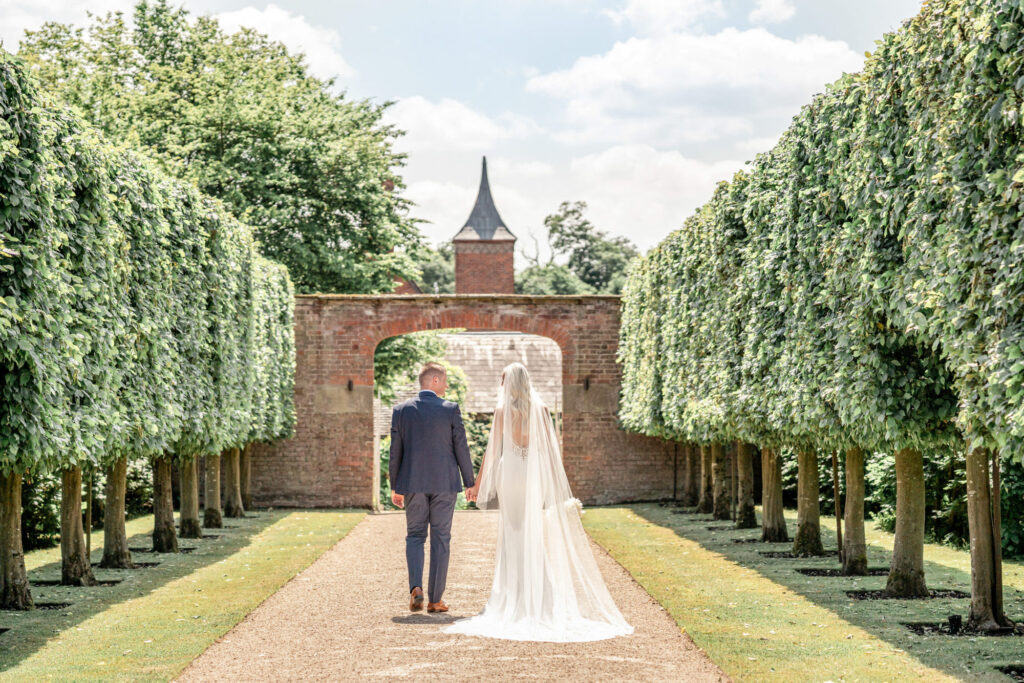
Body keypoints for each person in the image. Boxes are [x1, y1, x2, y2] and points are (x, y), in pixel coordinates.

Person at [448, 362, 633, 642]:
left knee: (512, 531)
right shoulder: (542, 410)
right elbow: (551, 451)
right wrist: (548, 482)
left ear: (509, 383)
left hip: (510, 472)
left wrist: (476, 484)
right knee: (532, 531)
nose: (500, 385)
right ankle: (542, 598)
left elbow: (491, 451)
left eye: (502, 380)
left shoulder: (500, 413)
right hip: (532, 472)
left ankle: (514, 596)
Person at [389, 362, 475, 613]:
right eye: (445, 381)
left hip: (413, 484)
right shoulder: (450, 410)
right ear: (435, 381)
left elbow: (396, 452)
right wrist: (469, 482)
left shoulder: (401, 410)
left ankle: (416, 588)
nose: (447, 386)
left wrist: (396, 487)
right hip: (444, 484)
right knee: (441, 538)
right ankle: (435, 600)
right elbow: (462, 447)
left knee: (415, 536)